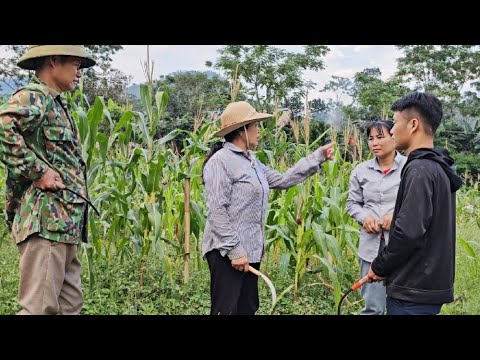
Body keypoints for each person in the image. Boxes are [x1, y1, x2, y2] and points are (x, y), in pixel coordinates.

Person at [202, 101, 334, 315]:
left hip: (250, 250)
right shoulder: (220, 162)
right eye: (256, 125)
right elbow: (217, 211)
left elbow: (283, 180)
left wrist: (316, 158)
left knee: (247, 308)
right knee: (226, 310)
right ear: (242, 130)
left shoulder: (252, 162)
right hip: (227, 253)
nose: (259, 131)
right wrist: (235, 251)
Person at [0, 45, 96, 315]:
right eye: (76, 65)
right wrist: (38, 172)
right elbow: (2, 128)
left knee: (69, 306)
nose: (79, 73)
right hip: (45, 222)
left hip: (64, 225)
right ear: (54, 61)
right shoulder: (34, 96)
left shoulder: (56, 103)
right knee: (39, 308)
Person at [367, 92, 463, 315]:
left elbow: (408, 232)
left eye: (396, 122)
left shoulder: (419, 169)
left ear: (413, 125)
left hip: (412, 290)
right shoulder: (439, 167)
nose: (391, 130)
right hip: (427, 287)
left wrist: (379, 266)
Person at [347, 120, 407, 315]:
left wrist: (396, 215)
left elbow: (416, 203)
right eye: (371, 139)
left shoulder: (410, 168)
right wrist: (364, 217)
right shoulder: (360, 171)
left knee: (403, 305)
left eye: (380, 137)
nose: (374, 143)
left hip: (402, 246)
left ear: (393, 137)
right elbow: (352, 204)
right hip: (371, 247)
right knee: (373, 307)